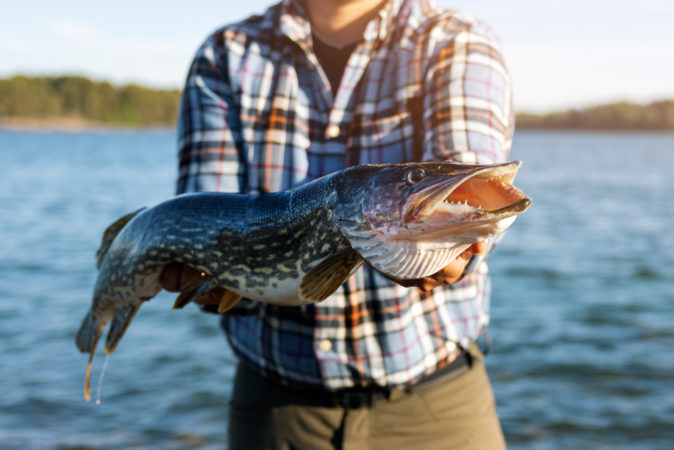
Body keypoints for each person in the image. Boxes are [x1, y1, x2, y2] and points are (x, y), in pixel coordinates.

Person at [162, 0, 514, 447]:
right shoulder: (227, 53)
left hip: (438, 408)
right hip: (276, 412)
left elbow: (468, 171)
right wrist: (209, 282)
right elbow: (209, 216)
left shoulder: (454, 40)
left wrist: (453, 248)